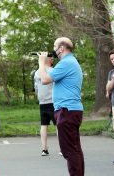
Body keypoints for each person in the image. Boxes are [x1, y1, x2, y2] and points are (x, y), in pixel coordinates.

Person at [38, 37, 84, 176]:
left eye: (55, 46)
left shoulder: (66, 63)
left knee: (69, 150)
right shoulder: (69, 62)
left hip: (66, 111)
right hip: (70, 110)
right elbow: (50, 72)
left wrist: (41, 63)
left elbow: (45, 79)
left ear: (61, 48)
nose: (54, 49)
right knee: (74, 149)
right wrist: (44, 63)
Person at [34, 56, 57, 156]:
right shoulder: (53, 70)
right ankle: (62, 149)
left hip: (42, 102)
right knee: (58, 125)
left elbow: (36, 88)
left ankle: (44, 149)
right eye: (52, 59)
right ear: (50, 60)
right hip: (53, 101)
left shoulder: (37, 72)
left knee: (44, 125)